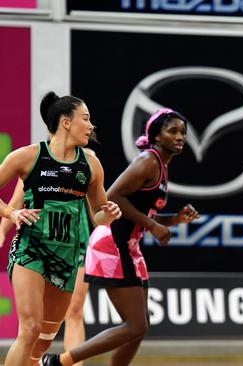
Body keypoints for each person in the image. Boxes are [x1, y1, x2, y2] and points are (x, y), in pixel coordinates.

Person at [42, 108, 200, 366]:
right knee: (135, 325)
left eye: (183, 132)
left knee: (139, 328)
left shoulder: (161, 165)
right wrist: (152, 225)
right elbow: (113, 196)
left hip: (129, 245)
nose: (180, 136)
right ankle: (59, 362)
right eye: (172, 131)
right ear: (156, 137)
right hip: (112, 243)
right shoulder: (148, 161)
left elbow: (139, 213)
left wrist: (175, 219)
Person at [0, 91, 122, 366]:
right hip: (30, 250)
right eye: (86, 119)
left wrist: (110, 213)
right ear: (66, 122)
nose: (91, 126)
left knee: (44, 339)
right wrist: (10, 212)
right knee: (29, 329)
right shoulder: (29, 156)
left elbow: (98, 216)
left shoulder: (91, 165)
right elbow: (9, 199)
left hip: (66, 257)